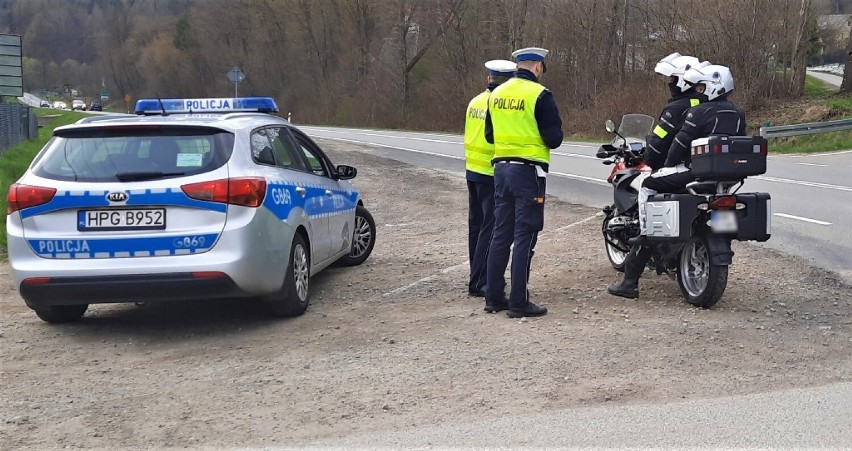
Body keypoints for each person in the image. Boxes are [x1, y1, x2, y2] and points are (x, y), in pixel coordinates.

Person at [609, 64, 746, 299]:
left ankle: (643, 238)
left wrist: (666, 166)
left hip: (692, 172)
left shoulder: (698, 112)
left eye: (702, 87)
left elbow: (678, 145)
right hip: (725, 179)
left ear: (714, 87)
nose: (699, 91)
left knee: (647, 186)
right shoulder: (738, 113)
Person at [607, 52, 708, 299]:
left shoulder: (675, 108)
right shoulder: (705, 104)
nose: (670, 83)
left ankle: (630, 280)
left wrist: (648, 158)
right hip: (702, 171)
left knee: (649, 212)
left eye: (673, 79)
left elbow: (658, 141)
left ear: (683, 80)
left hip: (674, 170)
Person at [483, 47, 563, 317]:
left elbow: (490, 136)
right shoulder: (540, 95)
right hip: (528, 173)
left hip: (501, 170)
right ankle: (519, 301)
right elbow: (554, 139)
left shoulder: (497, 94)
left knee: (500, 234)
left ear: (518, 66)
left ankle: (493, 297)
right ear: (538, 67)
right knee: (525, 235)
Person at [465, 59, 517, 298]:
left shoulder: (475, 101)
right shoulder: (499, 104)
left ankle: (475, 274)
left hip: (472, 171)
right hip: (490, 172)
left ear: (489, 78)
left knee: (476, 227)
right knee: (491, 229)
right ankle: (480, 281)